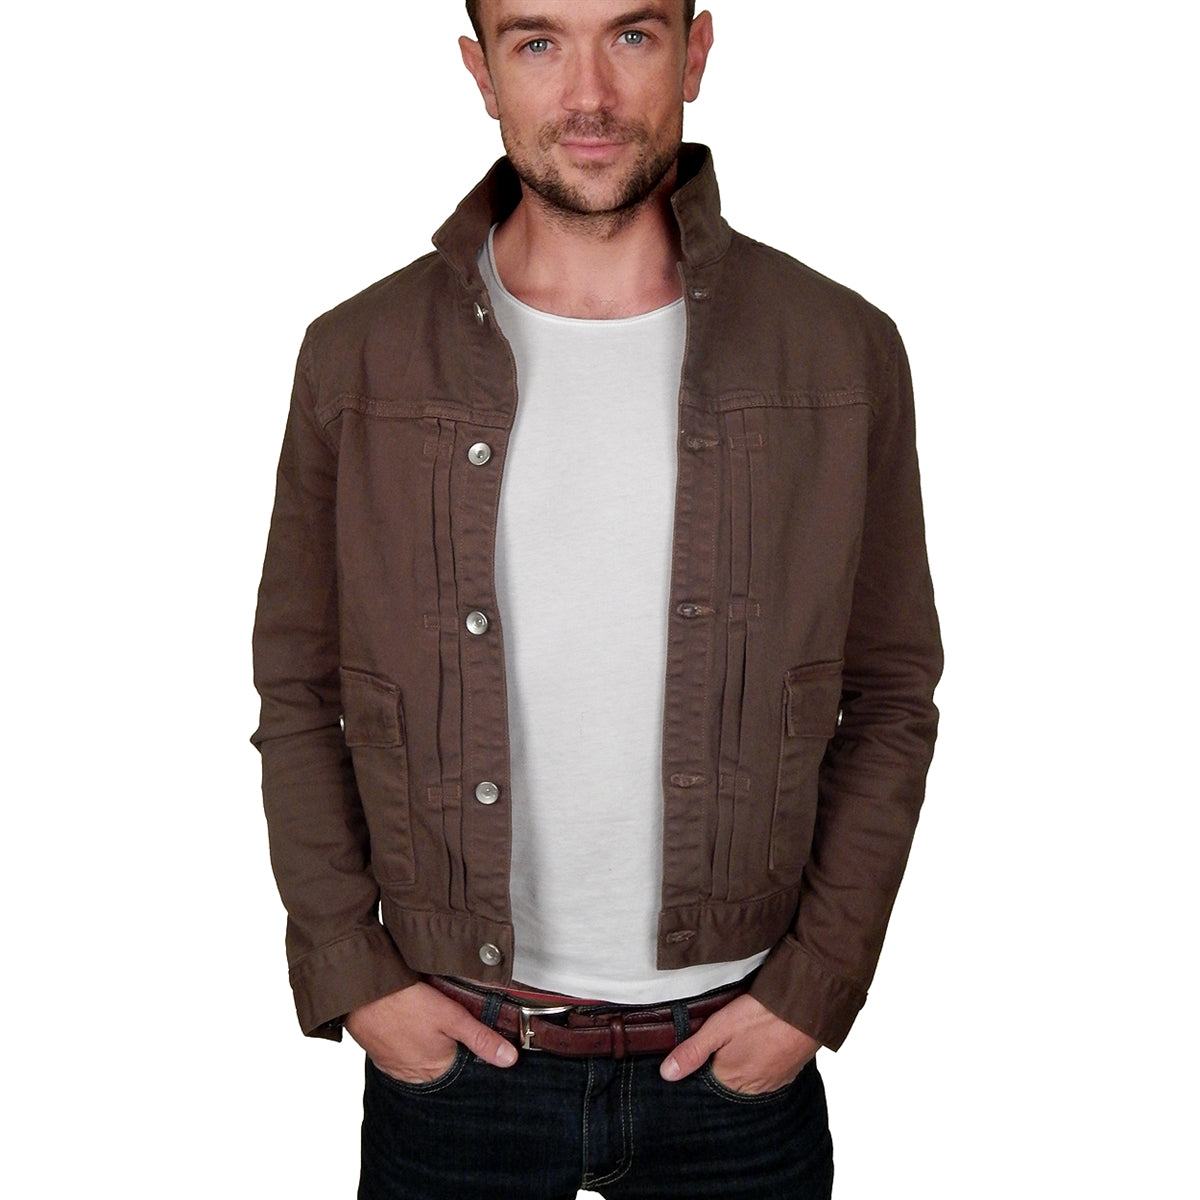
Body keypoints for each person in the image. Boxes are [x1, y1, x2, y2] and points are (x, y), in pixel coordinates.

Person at [251, 2, 942, 1196]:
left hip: (735, 1065)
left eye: (630, 37)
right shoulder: (358, 357)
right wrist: (352, 972)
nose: (587, 96)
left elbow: (890, 696)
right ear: (480, 72)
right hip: (453, 1061)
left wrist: (812, 990)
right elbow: (300, 690)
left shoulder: (838, 351)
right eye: (537, 42)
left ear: (695, 52)